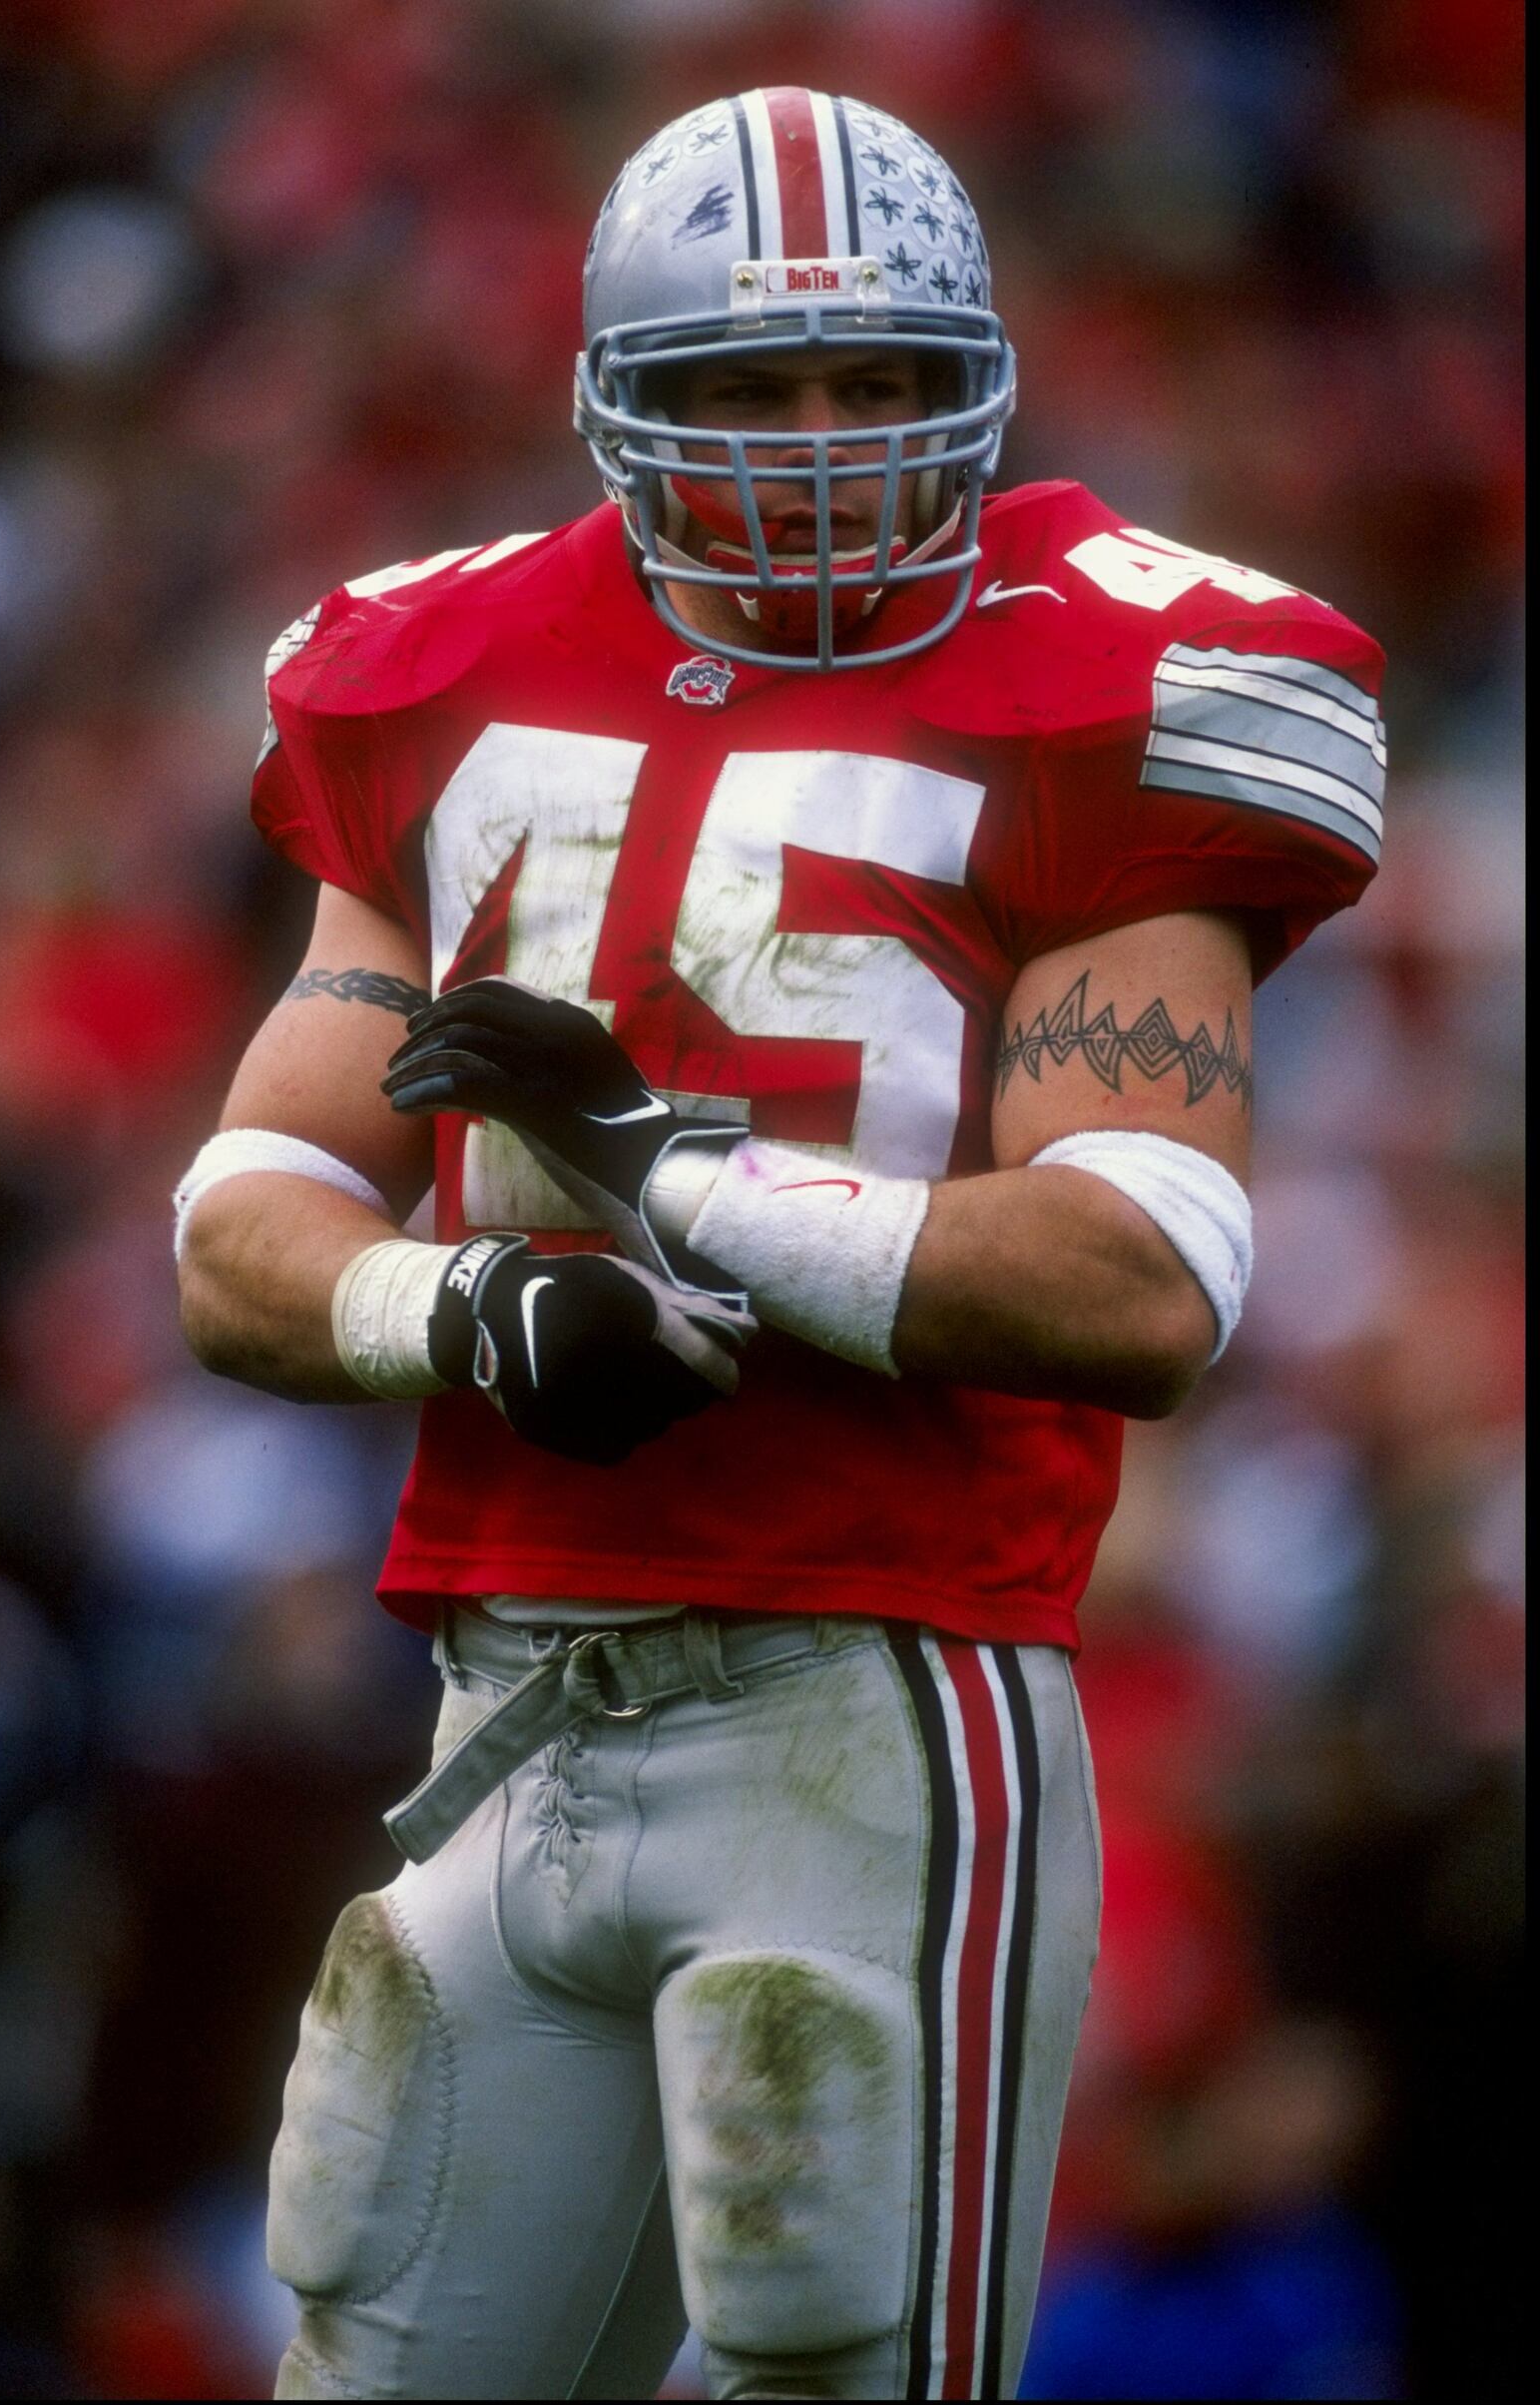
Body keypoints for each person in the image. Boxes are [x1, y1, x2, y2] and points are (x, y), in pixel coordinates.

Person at [174, 86, 1384, 2404]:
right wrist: (468, 1302)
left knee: (831, 2360)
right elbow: (239, 1221)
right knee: (371, 2353)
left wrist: (666, 1173)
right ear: (619, 402)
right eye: (745, 387)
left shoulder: (1118, 678)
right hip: (509, 1705)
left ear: (980, 379)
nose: (820, 442)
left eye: (876, 381)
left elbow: (1140, 1274)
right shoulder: (436, 666)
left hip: (875, 1696)